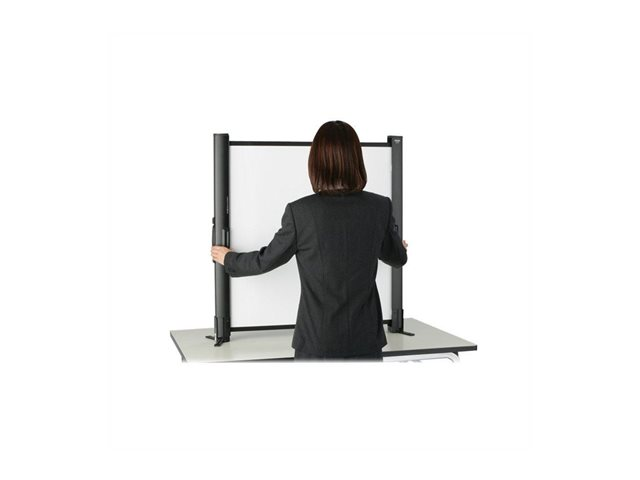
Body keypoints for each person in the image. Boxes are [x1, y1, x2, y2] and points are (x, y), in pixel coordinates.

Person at [211, 120, 408, 361]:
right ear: (357, 159)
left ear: (316, 162)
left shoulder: (301, 213)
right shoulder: (379, 207)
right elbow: (397, 258)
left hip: (317, 343)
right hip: (366, 341)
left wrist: (229, 259)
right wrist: (398, 245)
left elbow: (267, 260)